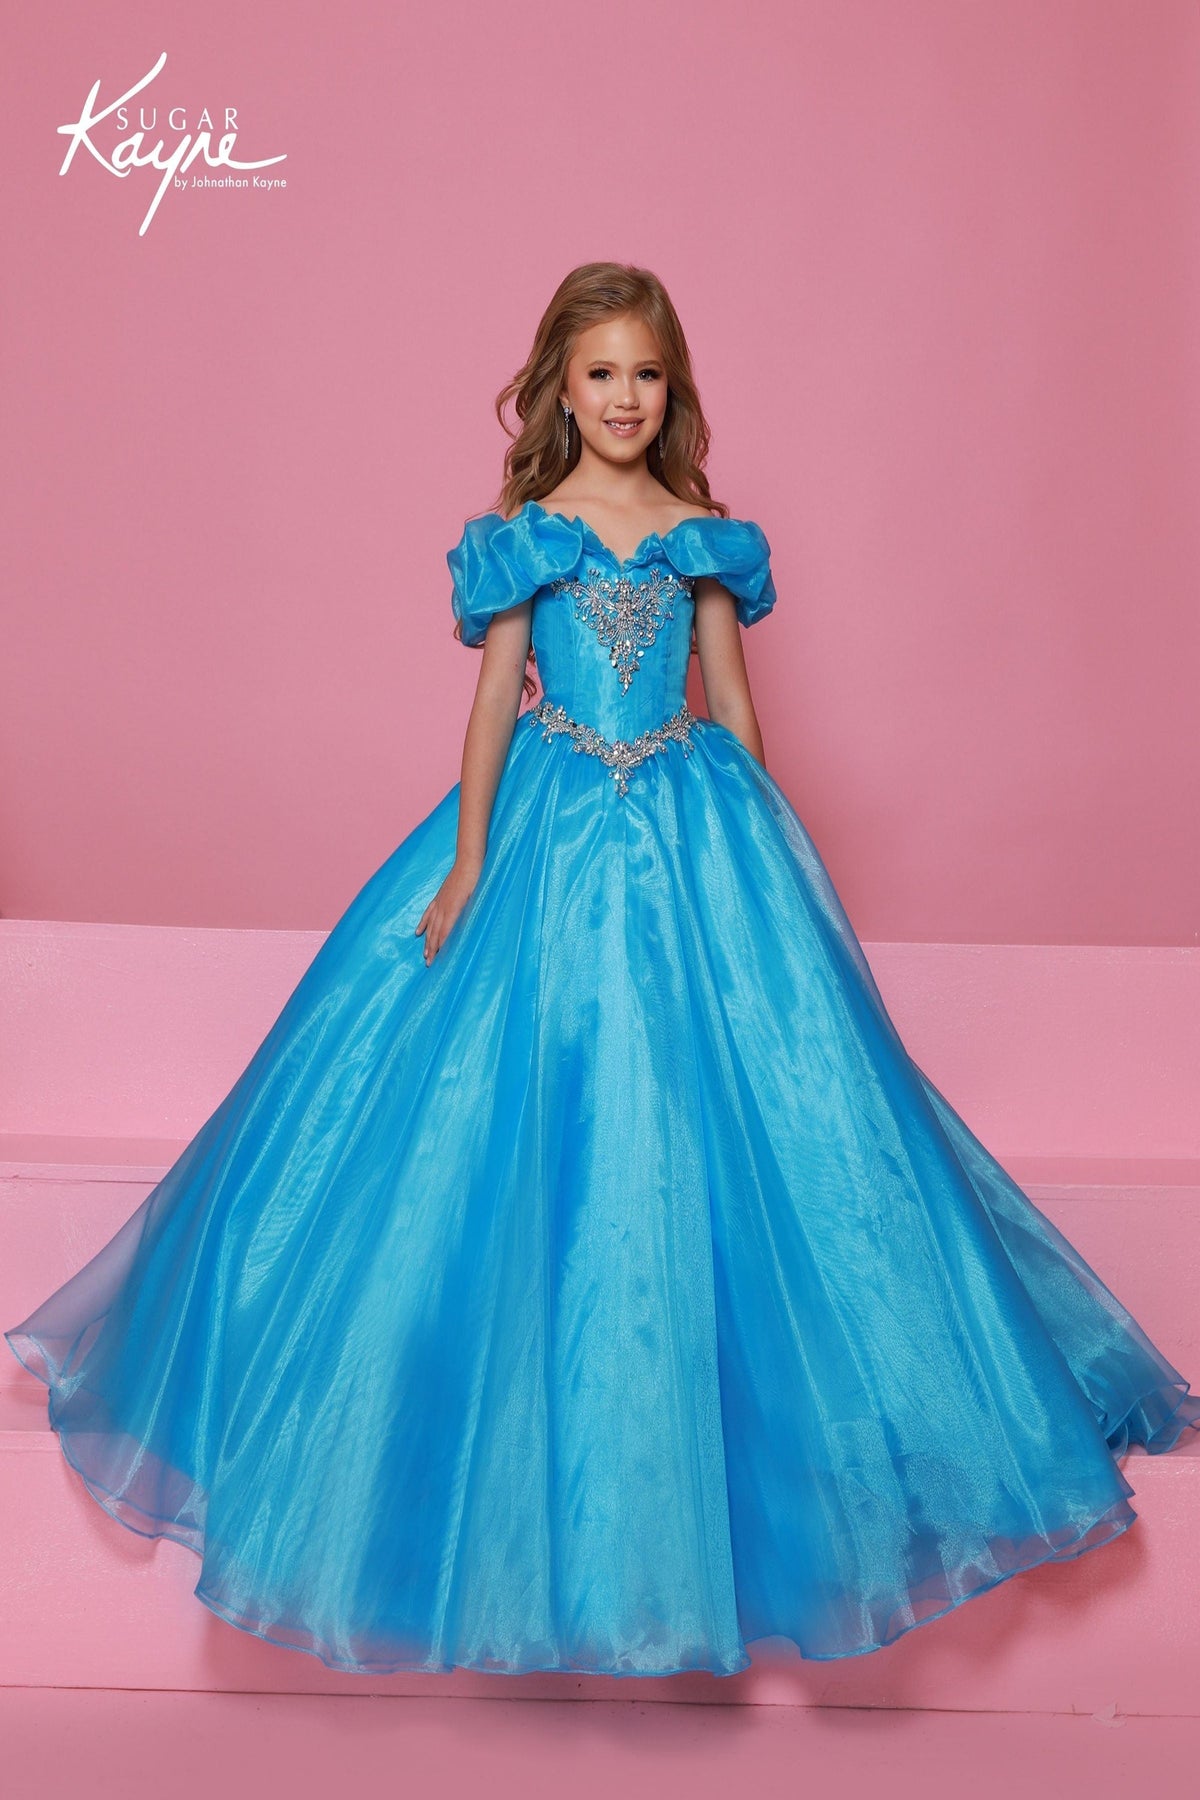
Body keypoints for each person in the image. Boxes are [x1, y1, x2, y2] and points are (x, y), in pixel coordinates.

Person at [7, 262, 1198, 1680]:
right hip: (549, 827)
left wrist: (773, 866)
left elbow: (735, 710)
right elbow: (491, 706)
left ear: (669, 388)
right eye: (600, 375)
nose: (624, 397)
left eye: (646, 374)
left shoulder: (704, 537)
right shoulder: (527, 538)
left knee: (761, 1116)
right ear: (559, 392)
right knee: (504, 1100)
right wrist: (467, 863)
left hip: (695, 823)